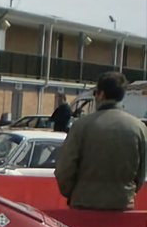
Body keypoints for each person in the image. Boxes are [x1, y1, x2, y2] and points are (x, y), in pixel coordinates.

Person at [55, 71, 147, 212]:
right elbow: (141, 173)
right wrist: (127, 193)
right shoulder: (139, 128)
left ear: (101, 94)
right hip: (122, 206)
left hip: (84, 205)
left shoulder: (81, 126)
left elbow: (64, 169)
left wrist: (74, 193)